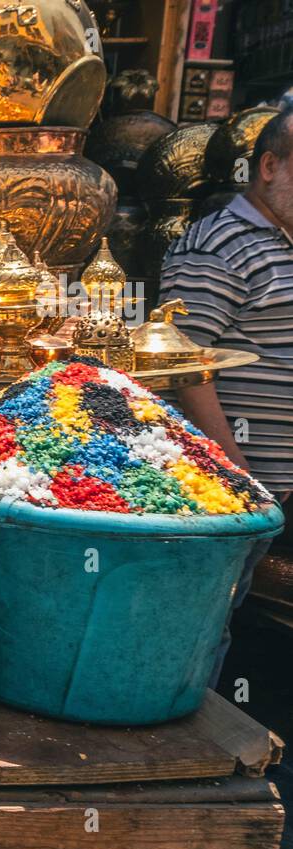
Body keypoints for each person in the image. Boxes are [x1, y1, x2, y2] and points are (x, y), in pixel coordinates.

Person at [159, 102, 293, 687]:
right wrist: (240, 478)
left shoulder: (282, 241)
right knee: (206, 630)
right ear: (269, 165)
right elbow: (184, 367)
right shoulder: (218, 245)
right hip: (253, 485)